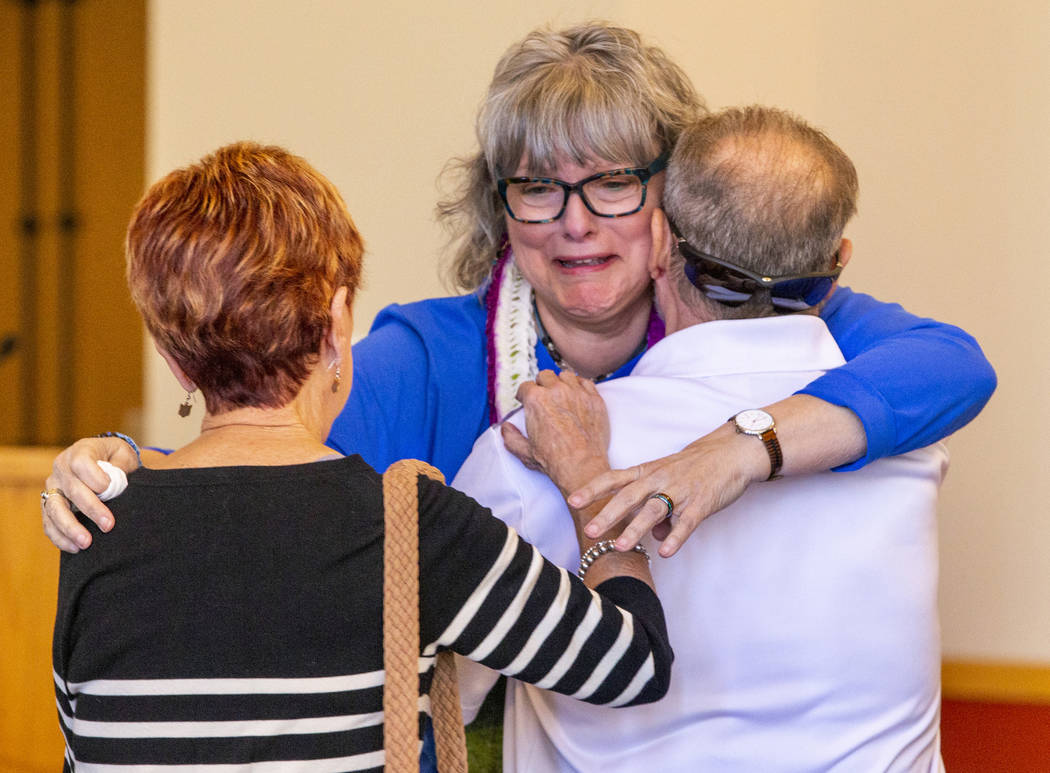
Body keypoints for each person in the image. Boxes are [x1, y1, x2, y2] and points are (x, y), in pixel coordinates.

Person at [41, 22, 995, 561]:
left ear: (678, 196)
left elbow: (950, 365)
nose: (574, 223)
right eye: (539, 186)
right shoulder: (427, 352)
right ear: (501, 208)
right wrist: (121, 464)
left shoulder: (768, 318)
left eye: (613, 181)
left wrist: (736, 453)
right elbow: (260, 451)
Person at [51, 142, 676, 769]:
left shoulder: (94, 529)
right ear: (337, 323)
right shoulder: (411, 525)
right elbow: (634, 664)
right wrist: (589, 480)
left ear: (174, 361)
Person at [454, 106, 950, 772]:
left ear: (660, 243)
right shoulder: (912, 445)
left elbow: (440, 689)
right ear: (838, 267)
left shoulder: (532, 452)